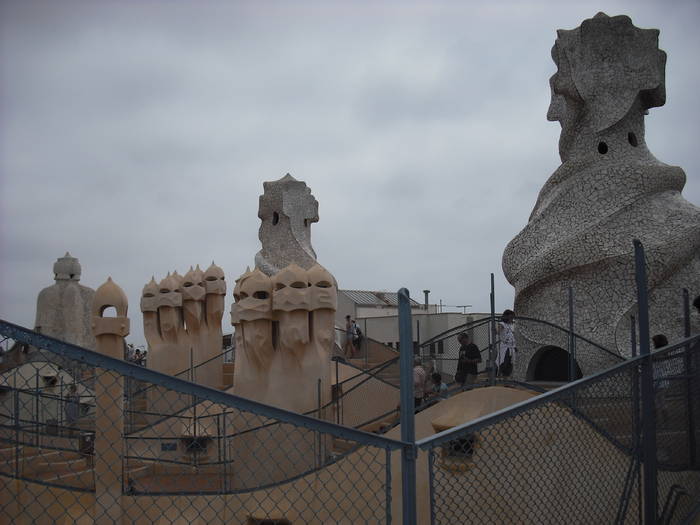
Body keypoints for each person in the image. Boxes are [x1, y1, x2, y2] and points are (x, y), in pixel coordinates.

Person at [496, 309, 516, 377]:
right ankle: (502, 376)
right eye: (511, 317)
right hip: (505, 347)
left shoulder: (510, 325)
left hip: (511, 347)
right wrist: (497, 330)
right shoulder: (502, 324)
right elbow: (498, 330)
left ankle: (507, 378)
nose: (512, 319)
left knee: (510, 363)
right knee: (504, 362)